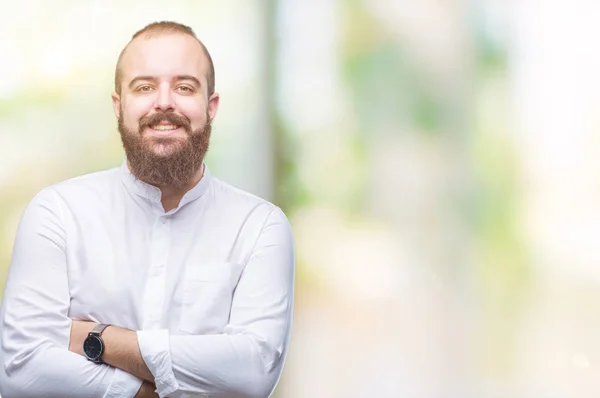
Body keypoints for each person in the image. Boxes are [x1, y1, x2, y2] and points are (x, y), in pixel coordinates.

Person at [0, 21, 295, 398]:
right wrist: (140, 391)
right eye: (144, 87)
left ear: (211, 106)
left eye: (185, 87)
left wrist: (99, 339)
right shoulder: (57, 213)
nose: (165, 102)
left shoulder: (260, 227)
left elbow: (253, 372)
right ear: (118, 106)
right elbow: (21, 373)